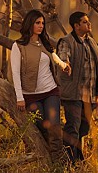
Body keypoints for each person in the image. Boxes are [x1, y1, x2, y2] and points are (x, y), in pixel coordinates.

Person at [10, 9, 70, 161]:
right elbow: (15, 73)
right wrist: (19, 97)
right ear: (30, 23)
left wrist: (64, 65)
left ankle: (60, 164)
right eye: (37, 23)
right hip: (30, 95)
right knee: (43, 126)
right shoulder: (18, 46)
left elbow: (52, 56)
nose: (41, 26)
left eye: (42, 23)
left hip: (50, 91)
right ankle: (48, 159)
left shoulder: (43, 42)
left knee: (55, 128)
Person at [56, 11, 98, 163]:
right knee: (72, 128)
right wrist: (65, 64)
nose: (88, 24)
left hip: (89, 95)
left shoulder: (91, 42)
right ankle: (70, 163)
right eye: (84, 22)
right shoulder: (66, 41)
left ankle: (77, 159)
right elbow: (63, 57)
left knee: (83, 129)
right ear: (76, 26)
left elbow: (97, 69)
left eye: (88, 21)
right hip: (73, 95)